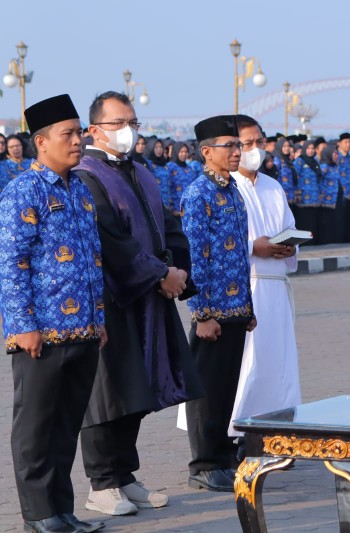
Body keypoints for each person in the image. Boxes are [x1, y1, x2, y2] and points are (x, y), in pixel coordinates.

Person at [74, 91, 204, 516]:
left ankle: (125, 475)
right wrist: (158, 274)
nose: (127, 130)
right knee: (108, 392)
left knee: (139, 389)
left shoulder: (141, 172)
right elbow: (111, 240)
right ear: (94, 129)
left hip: (151, 296)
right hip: (113, 299)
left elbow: (168, 226)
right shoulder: (86, 175)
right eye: (117, 123)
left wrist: (177, 273)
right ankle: (101, 482)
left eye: (133, 121)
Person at [0, 94, 107, 533]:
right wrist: (23, 325)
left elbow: (92, 258)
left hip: (83, 331)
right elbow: (11, 262)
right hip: (41, 334)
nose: (78, 140)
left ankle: (61, 511)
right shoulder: (23, 190)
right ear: (41, 142)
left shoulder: (79, 189)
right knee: (36, 430)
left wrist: (98, 317)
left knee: (66, 427)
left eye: (80, 132)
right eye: (69, 133)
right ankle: (38, 515)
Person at [179, 115, 256, 492]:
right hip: (212, 313)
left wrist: (249, 306)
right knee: (208, 389)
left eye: (237, 145)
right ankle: (204, 462)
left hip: (237, 308)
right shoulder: (198, 194)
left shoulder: (232, 191)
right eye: (229, 146)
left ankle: (223, 456)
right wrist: (202, 314)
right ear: (207, 152)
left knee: (227, 388)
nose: (236, 152)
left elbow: (241, 255)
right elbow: (195, 259)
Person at [228, 115, 301, 450]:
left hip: (275, 284)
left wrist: (289, 245)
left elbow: (288, 225)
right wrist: (253, 246)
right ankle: (236, 433)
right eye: (246, 143)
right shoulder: (227, 187)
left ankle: (276, 429)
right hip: (247, 284)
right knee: (246, 363)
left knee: (277, 361)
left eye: (259, 142)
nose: (255, 149)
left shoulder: (273, 186)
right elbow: (221, 241)